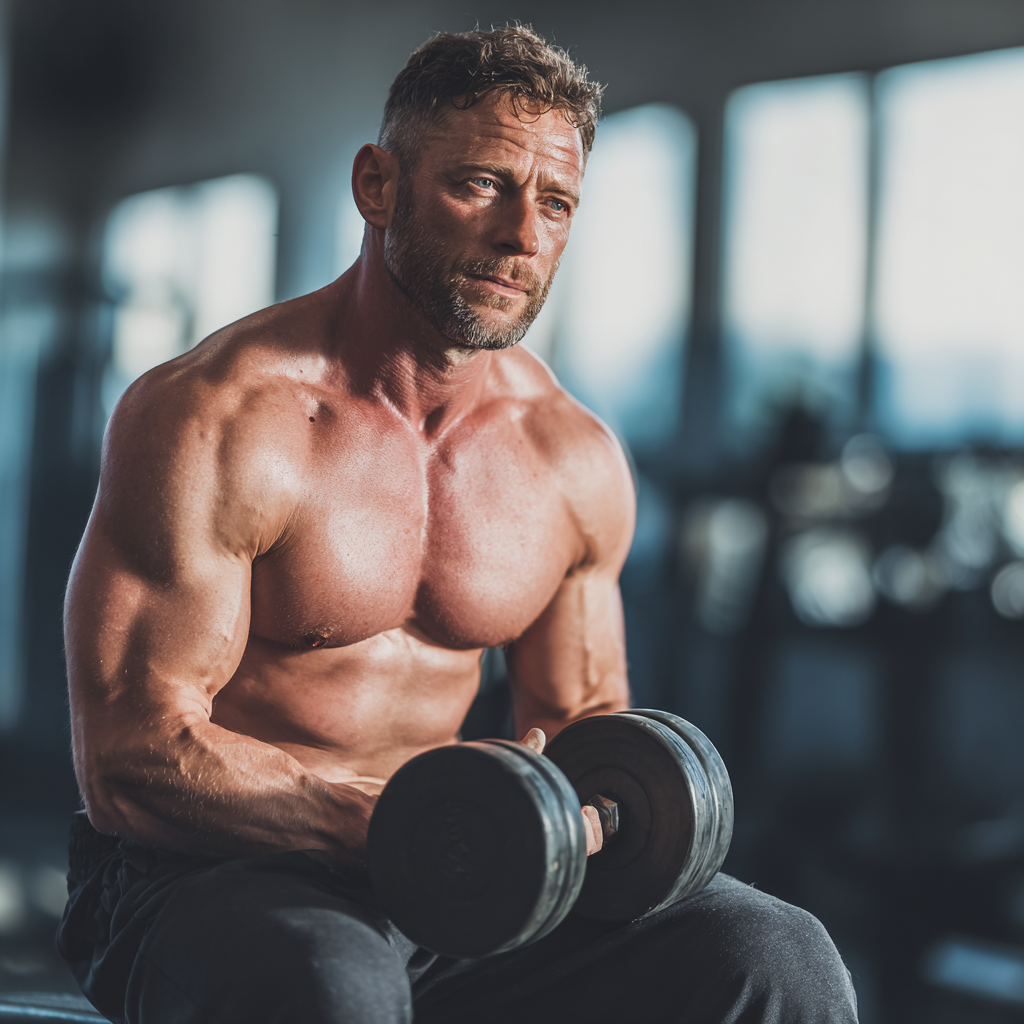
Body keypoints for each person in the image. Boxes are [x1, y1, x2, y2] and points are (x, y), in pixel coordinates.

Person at [59, 25, 859, 1024]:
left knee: (773, 953)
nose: (523, 236)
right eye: (482, 184)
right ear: (376, 186)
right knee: (329, 987)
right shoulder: (217, 419)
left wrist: (585, 826)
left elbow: (587, 739)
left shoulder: (570, 456)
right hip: (204, 875)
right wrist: (411, 820)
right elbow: (133, 762)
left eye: (556, 202)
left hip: (457, 870)